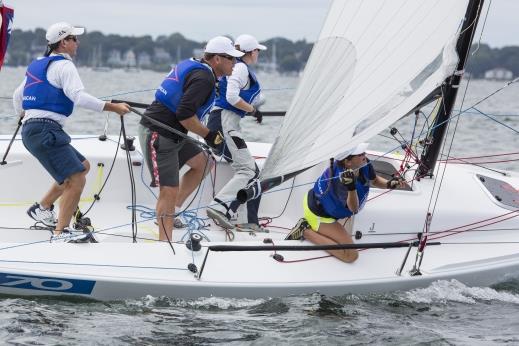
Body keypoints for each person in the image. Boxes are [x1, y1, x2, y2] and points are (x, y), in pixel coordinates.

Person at [12, 22, 130, 242]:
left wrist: (23, 116)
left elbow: (17, 97)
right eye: (74, 38)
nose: (78, 42)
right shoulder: (65, 67)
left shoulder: (37, 65)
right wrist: (114, 108)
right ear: (63, 42)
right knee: (76, 179)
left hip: (33, 130)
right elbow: (80, 98)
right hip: (46, 130)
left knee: (82, 166)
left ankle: (43, 207)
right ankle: (61, 233)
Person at [138, 36, 244, 241]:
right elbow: (184, 114)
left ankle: (173, 212)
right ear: (217, 59)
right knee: (168, 190)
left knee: (204, 164)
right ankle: (165, 243)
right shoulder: (204, 78)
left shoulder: (203, 70)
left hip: (175, 132)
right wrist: (210, 135)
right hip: (158, 132)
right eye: (231, 58)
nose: (235, 63)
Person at [285, 143, 405, 262]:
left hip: (323, 203)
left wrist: (389, 183)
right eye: (360, 154)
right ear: (348, 162)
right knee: (351, 256)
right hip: (318, 214)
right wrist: (351, 187)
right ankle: (305, 230)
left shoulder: (363, 163)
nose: (365, 155)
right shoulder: (341, 180)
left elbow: (374, 180)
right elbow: (353, 208)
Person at [205, 34, 267, 231]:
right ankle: (219, 207)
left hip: (226, 123)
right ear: (251, 52)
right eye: (257, 50)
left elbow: (237, 96)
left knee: (254, 173)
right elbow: (232, 97)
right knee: (248, 170)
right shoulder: (240, 68)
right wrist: (253, 110)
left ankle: (247, 220)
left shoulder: (238, 68)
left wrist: (255, 105)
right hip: (223, 123)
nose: (258, 53)